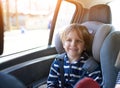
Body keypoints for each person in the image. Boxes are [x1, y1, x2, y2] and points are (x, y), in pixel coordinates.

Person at [47, 23, 102, 88]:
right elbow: (51, 84)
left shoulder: (91, 66)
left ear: (84, 46)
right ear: (64, 44)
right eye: (69, 40)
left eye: (78, 41)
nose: (73, 44)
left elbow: (97, 85)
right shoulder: (58, 62)